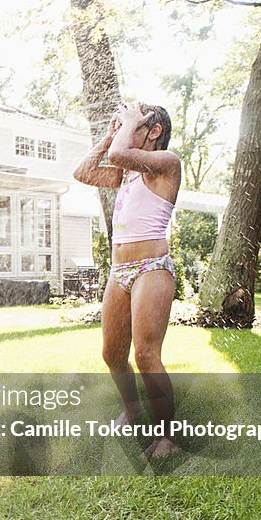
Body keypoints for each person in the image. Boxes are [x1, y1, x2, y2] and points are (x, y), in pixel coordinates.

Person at [73, 102, 181, 459]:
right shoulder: (128, 172)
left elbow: (120, 154)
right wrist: (107, 135)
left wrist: (125, 131)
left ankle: (167, 437)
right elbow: (84, 172)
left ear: (153, 131)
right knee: (112, 353)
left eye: (135, 123)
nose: (124, 127)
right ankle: (133, 410)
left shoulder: (166, 163)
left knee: (146, 354)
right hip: (119, 273)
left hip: (152, 267)